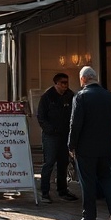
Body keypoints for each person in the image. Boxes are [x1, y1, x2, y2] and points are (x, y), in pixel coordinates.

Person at [68, 66, 111, 220]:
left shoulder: (80, 96)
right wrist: (108, 134)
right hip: (105, 147)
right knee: (106, 177)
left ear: (83, 79)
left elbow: (75, 124)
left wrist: (71, 145)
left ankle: (89, 217)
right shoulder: (110, 97)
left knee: (87, 182)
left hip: (85, 148)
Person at [37, 72, 78, 204]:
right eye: (63, 83)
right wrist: (51, 130)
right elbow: (41, 117)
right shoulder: (47, 97)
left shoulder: (70, 96)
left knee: (63, 163)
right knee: (49, 163)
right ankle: (45, 192)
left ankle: (63, 190)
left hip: (65, 135)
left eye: (67, 83)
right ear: (56, 83)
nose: (65, 86)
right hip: (51, 136)